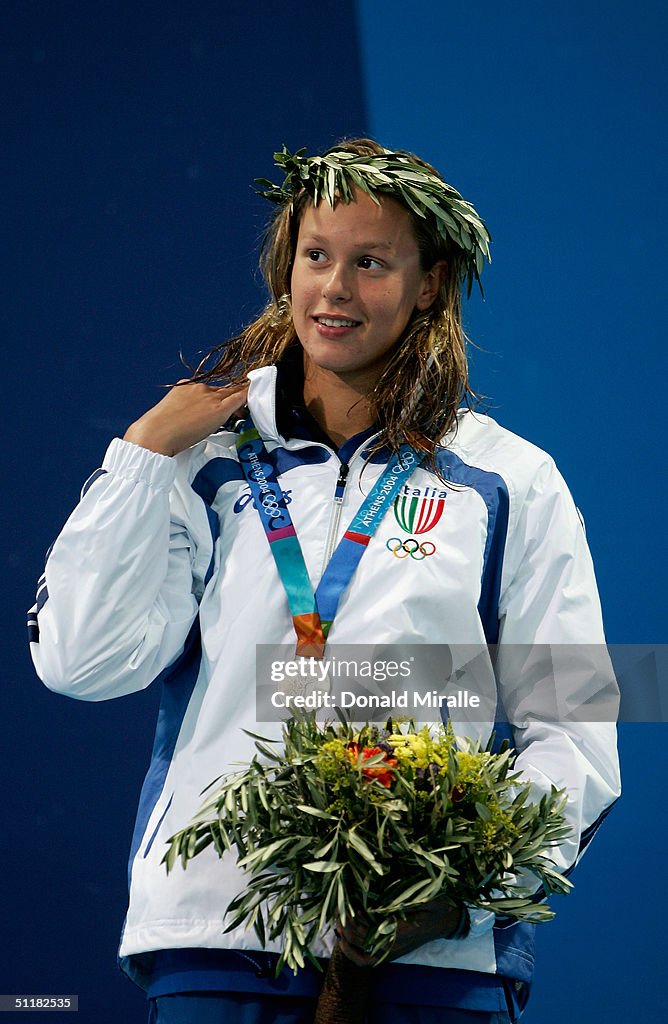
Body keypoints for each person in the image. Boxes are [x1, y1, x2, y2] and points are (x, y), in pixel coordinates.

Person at [28, 138, 620, 1024]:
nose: (334, 289)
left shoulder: (510, 480)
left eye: (371, 262)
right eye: (316, 256)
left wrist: (458, 886)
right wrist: (144, 454)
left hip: (432, 954)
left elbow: (573, 722)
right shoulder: (204, 469)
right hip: (217, 936)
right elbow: (80, 661)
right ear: (286, 266)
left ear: (429, 284)